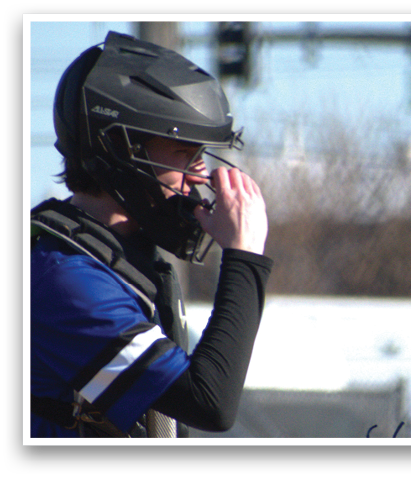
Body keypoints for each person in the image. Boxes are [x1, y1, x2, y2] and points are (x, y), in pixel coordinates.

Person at [30, 31, 272, 437]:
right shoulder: (66, 279)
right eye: (184, 154)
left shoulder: (122, 261)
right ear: (118, 150)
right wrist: (244, 258)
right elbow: (209, 402)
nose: (200, 176)